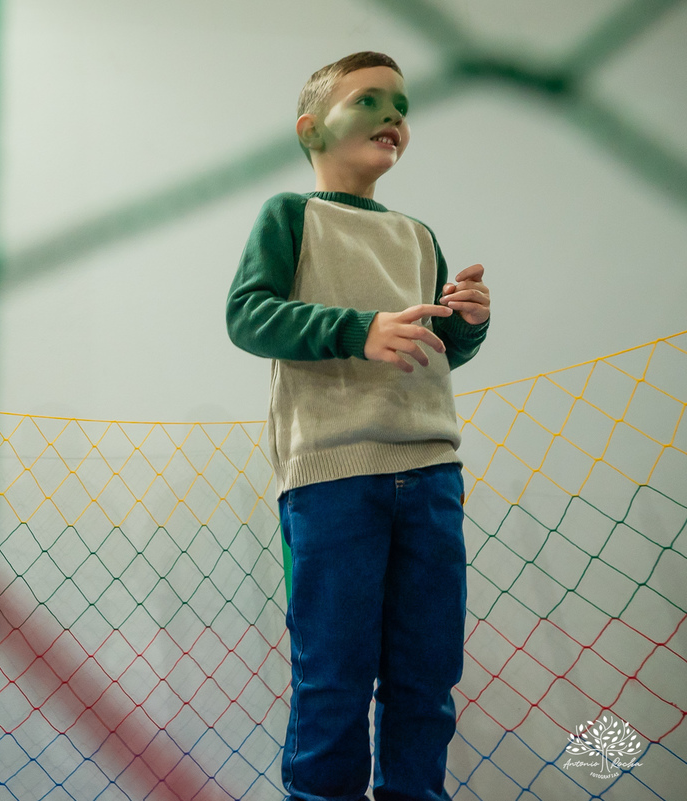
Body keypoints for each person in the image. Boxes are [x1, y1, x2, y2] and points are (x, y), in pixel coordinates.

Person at [225, 51, 491, 801]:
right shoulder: (289, 216)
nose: (393, 117)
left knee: (426, 677)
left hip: (433, 476)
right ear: (310, 129)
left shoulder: (417, 235)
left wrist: (467, 324)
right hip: (330, 479)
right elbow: (247, 315)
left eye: (401, 105)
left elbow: (434, 346)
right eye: (369, 100)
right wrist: (358, 328)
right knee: (332, 677)